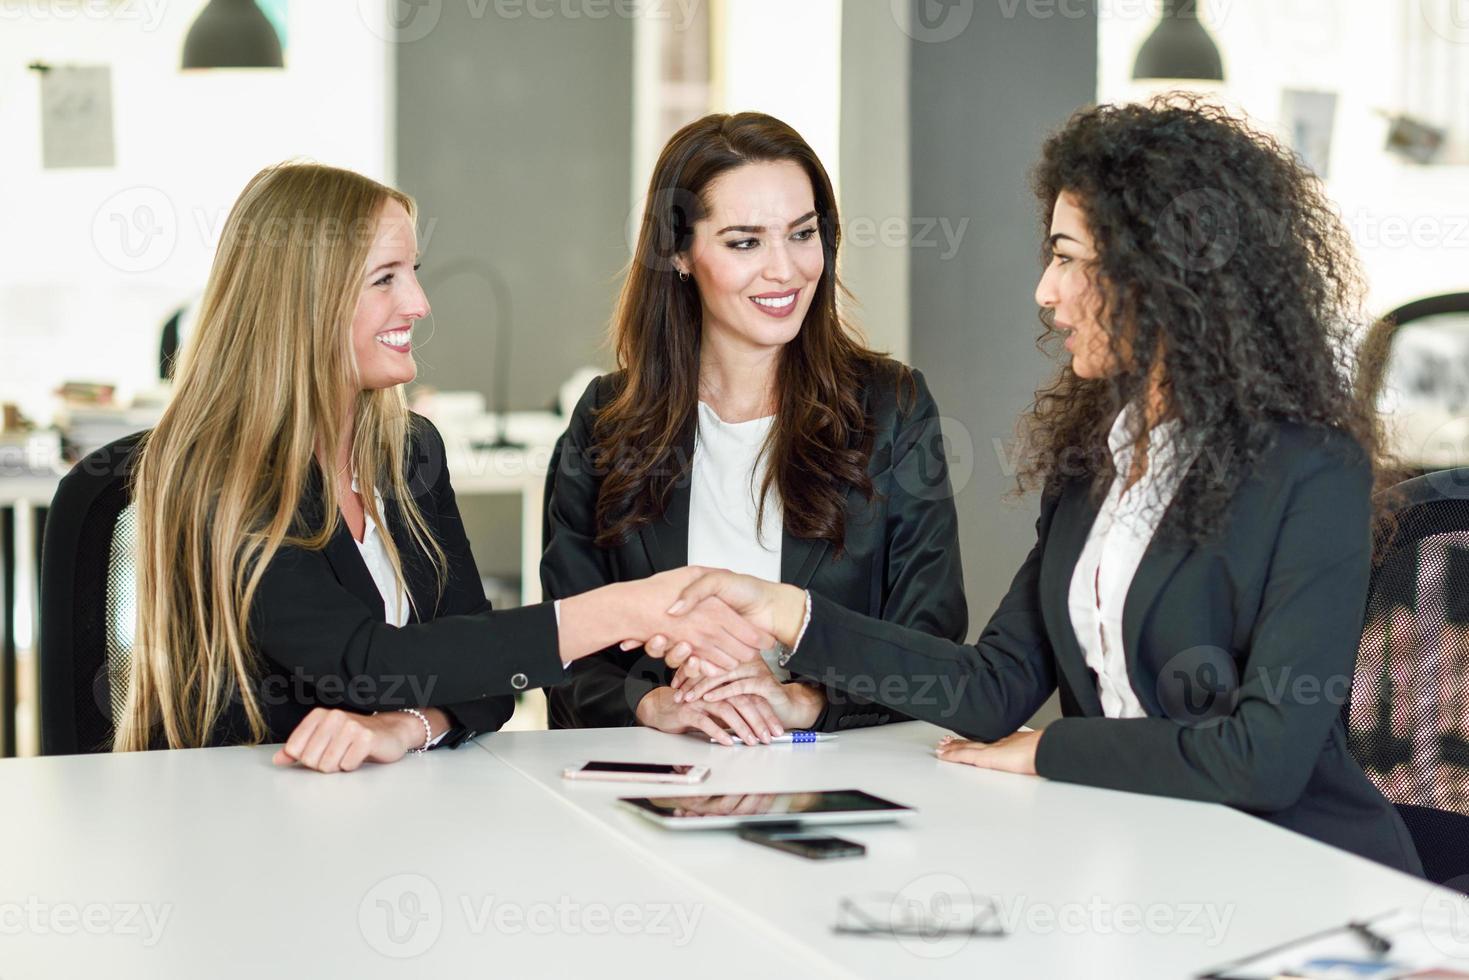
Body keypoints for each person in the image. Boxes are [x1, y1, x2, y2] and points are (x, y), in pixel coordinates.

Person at [656, 99, 1423, 874]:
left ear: (1155, 272)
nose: (1044, 292)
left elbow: (1262, 759)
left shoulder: (1311, 470)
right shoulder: (1099, 458)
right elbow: (992, 687)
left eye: (1066, 257)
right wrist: (787, 613)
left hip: (1302, 873)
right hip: (1136, 854)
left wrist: (1052, 751)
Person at [112, 162, 769, 771]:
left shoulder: (407, 452)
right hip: (240, 823)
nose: (419, 304)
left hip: (385, 815)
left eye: (413, 272)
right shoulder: (222, 472)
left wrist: (408, 729)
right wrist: (628, 610)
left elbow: (480, 673)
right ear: (304, 302)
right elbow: (366, 663)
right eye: (385, 278)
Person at [540, 112, 967, 745]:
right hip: (655, 780)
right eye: (745, 242)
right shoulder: (605, 421)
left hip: (838, 785)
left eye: (802, 234)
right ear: (679, 254)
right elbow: (561, 651)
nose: (785, 270)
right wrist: (651, 704)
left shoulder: (892, 407)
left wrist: (802, 701)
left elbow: (930, 646)